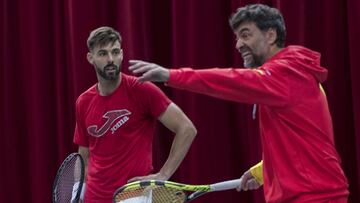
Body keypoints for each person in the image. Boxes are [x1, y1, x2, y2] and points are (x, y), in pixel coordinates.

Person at [128, 4, 349, 203]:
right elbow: (304, 139)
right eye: (237, 37)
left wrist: (171, 75)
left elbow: (234, 80)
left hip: (315, 197)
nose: (238, 44)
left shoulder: (288, 73)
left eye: (245, 35)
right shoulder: (290, 76)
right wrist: (263, 171)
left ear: (270, 35)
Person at [73, 26, 197, 202]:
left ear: (122, 54)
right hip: (94, 198)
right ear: (90, 58)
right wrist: (79, 189)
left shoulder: (141, 89)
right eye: (102, 54)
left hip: (133, 196)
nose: (110, 59)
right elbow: (84, 154)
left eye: (115, 52)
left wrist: (163, 174)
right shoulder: (83, 102)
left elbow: (187, 128)